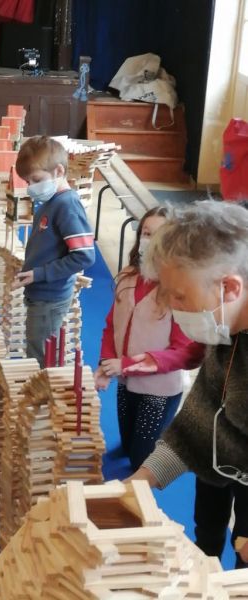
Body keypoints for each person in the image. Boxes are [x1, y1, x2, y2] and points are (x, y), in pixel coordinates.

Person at [130, 200, 248, 568]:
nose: (170, 305)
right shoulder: (226, 329)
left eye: (179, 295)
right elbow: (203, 416)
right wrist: (143, 478)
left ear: (229, 287)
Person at [94, 207, 204, 471]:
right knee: (127, 439)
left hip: (158, 391)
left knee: (141, 457)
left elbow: (186, 353)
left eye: (159, 235)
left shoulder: (180, 292)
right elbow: (112, 325)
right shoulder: (128, 277)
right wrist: (106, 363)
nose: (150, 241)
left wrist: (127, 364)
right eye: (145, 233)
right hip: (125, 381)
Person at [12, 135, 95, 366]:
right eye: (27, 181)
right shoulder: (51, 201)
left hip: (50, 295)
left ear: (59, 171)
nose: (31, 187)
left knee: (42, 357)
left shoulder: (67, 205)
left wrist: (40, 274)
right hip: (41, 291)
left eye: (36, 179)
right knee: (37, 347)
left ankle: (44, 388)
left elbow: (84, 256)